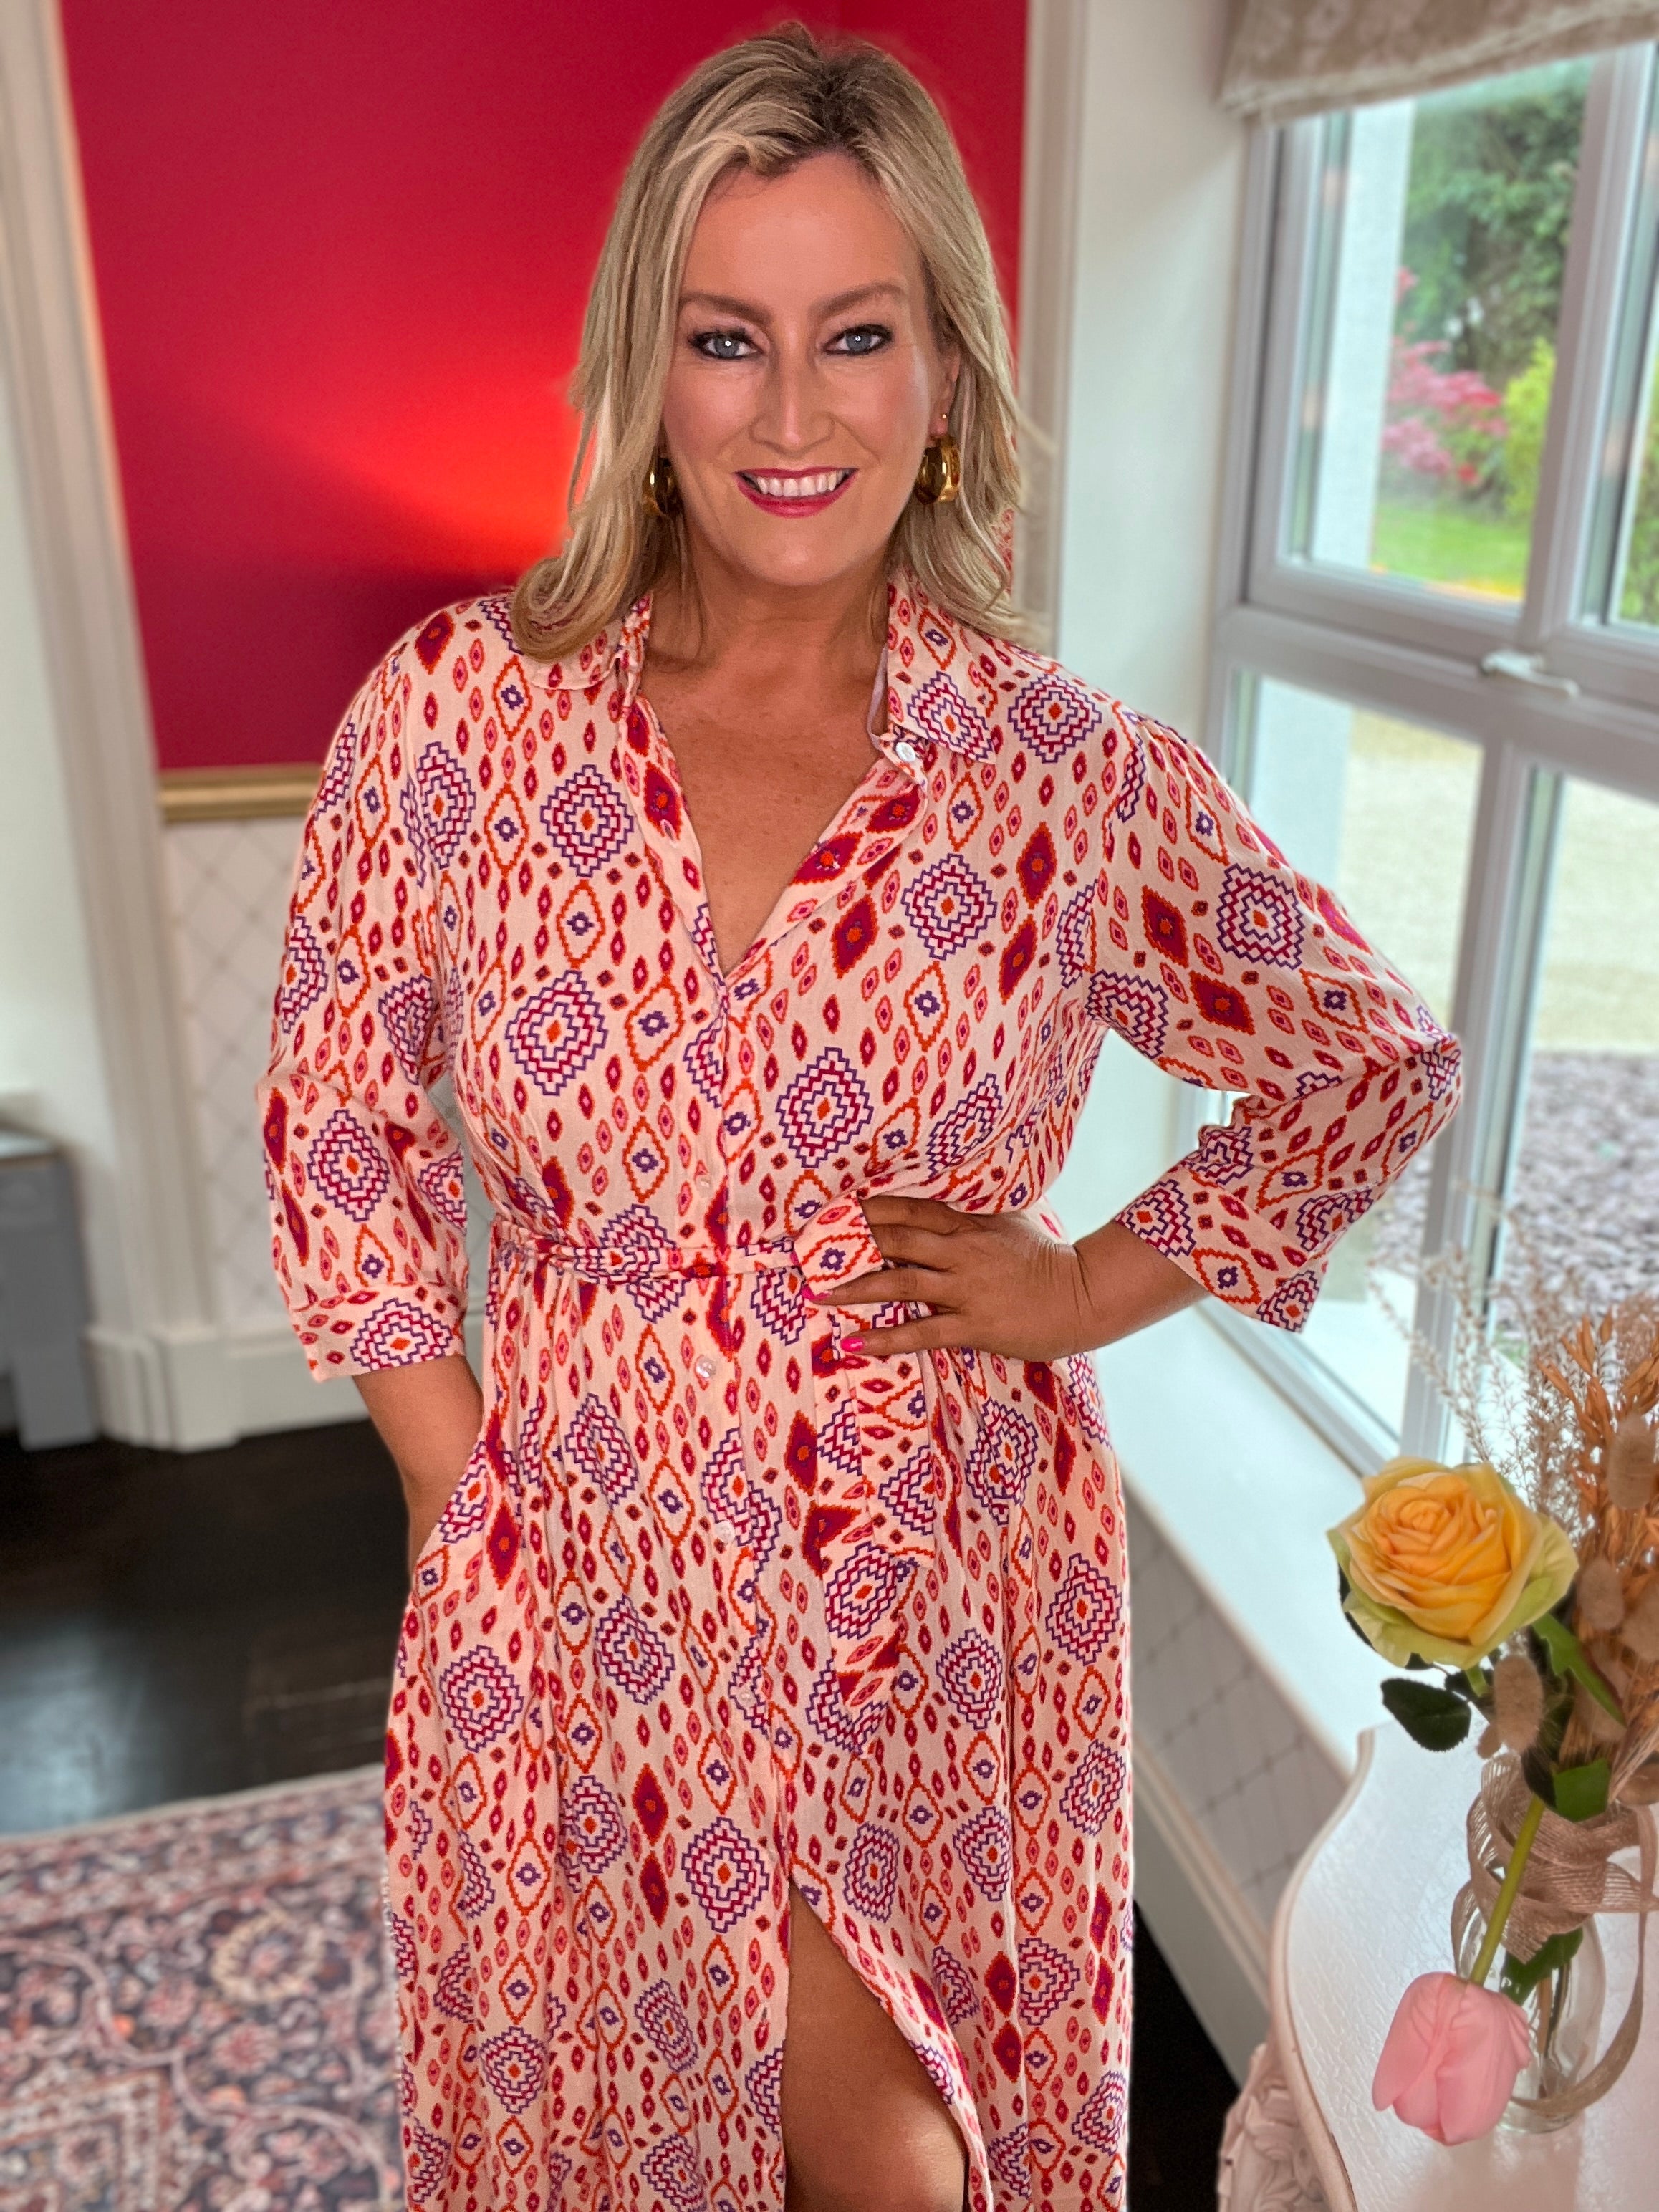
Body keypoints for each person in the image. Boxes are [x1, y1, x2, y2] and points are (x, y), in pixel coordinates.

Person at [258, 26, 1460, 2212]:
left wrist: (1082, 1290)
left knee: (902, 2157)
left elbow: (1363, 1063)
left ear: (947, 376)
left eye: (856, 335)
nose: (790, 414)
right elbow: (340, 1117)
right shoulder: (460, 717)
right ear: (649, 367)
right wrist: (464, 1493)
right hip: (579, 1552)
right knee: (607, 2124)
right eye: (727, 338)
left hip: (928, 1576)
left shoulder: (1061, 774)